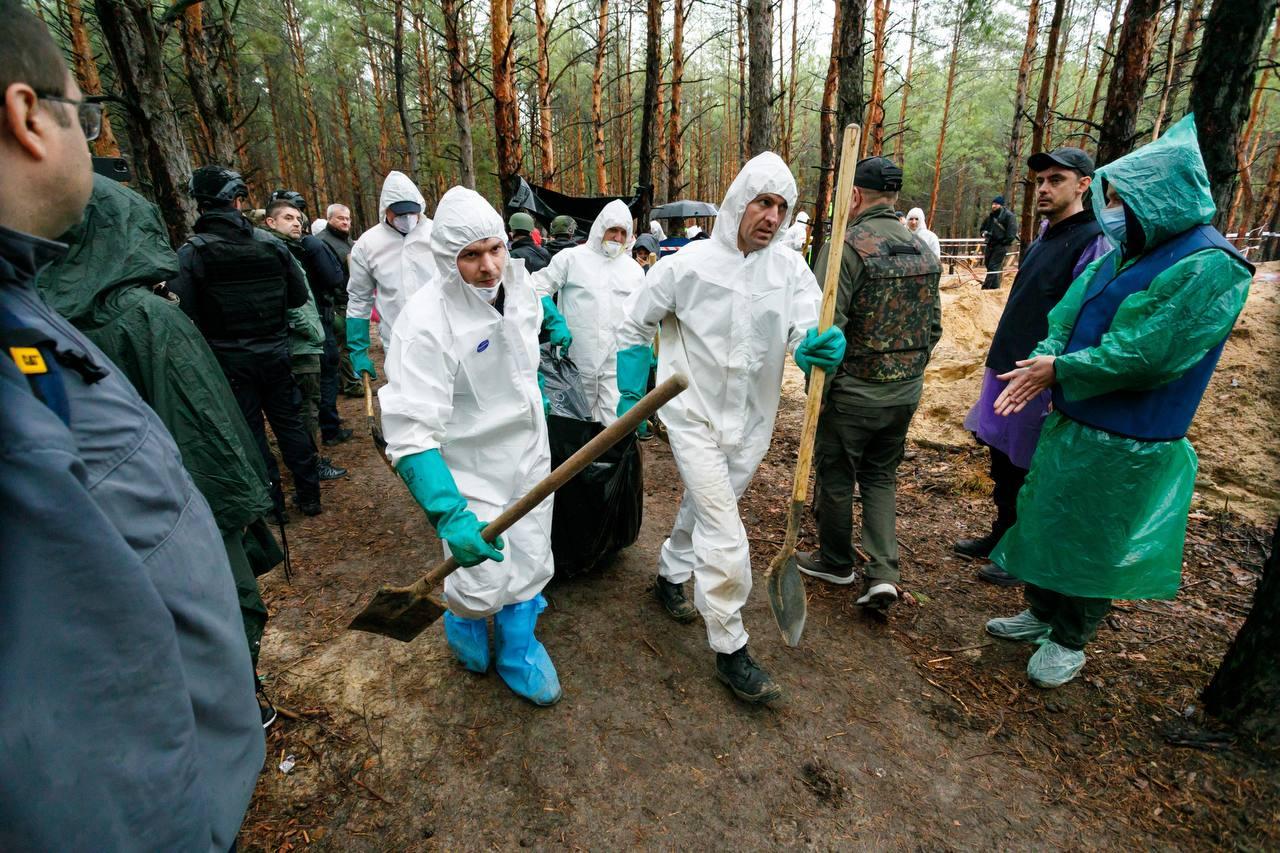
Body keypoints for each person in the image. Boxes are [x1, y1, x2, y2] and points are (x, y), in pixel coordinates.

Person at [0, 4, 263, 846]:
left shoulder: (30, 316)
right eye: (85, 108)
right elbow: (69, 692)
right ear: (27, 117)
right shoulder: (119, 326)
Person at [983, 115, 1253, 689]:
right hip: (1076, 417)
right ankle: (1040, 610)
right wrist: (1048, 356)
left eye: (1125, 200)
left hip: (1133, 436)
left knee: (1095, 536)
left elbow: (1150, 354)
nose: (1117, 211)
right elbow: (1069, 312)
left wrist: (1063, 368)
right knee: (1048, 515)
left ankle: (1071, 636)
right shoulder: (1126, 249)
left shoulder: (1210, 265)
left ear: (1164, 199)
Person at [38, 174, 285, 727]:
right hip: (174, 506)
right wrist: (241, 504)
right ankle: (234, 707)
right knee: (214, 602)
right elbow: (203, 422)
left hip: (90, 521)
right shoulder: (144, 318)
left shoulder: (38, 318)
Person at [615, 152, 846, 704]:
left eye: (782, 207)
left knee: (706, 504)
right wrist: (629, 392)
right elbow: (635, 322)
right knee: (725, 529)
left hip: (752, 420)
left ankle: (670, 574)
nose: (771, 216)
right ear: (739, 202)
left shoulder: (788, 269)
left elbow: (803, 327)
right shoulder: (687, 264)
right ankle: (730, 646)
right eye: (763, 202)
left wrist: (815, 345)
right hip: (690, 411)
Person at [379, 186, 573, 706]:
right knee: (479, 576)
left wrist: (536, 394)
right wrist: (448, 512)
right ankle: (464, 626)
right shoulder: (425, 324)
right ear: (447, 260)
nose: (488, 267)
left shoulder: (520, 282)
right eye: (470, 256)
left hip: (529, 451)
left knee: (532, 554)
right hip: (469, 465)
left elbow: (522, 347)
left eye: (495, 249)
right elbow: (410, 429)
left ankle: (519, 647)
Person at [794, 157, 942, 612]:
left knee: (837, 476)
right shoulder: (923, 250)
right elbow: (933, 329)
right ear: (893, 198)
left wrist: (817, 391)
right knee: (881, 477)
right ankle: (883, 572)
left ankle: (836, 560)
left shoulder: (847, 248)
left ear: (854, 196)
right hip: (905, 392)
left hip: (854, 392)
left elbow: (825, 331)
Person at [956, 147, 1109, 586]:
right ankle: (1002, 534)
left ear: (1083, 184)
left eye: (1056, 179)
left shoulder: (1092, 239)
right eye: (1040, 181)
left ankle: (1023, 552)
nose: (1043, 188)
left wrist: (1058, 372)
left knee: (1030, 465)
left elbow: (1085, 317)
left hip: (1040, 374)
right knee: (1001, 457)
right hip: (1007, 363)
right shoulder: (1044, 234)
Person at [172, 166, 324, 518]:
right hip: (275, 353)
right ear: (237, 202)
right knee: (290, 424)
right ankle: (309, 495)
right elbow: (298, 296)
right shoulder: (269, 245)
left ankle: (275, 505)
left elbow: (183, 309)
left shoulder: (193, 252)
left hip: (231, 360)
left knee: (251, 431)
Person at [534, 200, 645, 425]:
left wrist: (644, 355)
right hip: (576, 358)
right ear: (600, 229)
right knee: (577, 424)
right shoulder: (571, 258)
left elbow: (641, 315)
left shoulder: (633, 270)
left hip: (615, 360)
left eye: (623, 232)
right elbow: (537, 287)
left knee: (613, 426)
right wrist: (554, 321)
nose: (617, 237)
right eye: (612, 230)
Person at [263, 198, 347, 481]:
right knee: (305, 407)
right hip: (298, 344)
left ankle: (306, 463)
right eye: (288, 218)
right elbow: (292, 305)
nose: (296, 223)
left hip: (291, 344)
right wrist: (315, 333)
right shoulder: (276, 253)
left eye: (298, 218)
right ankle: (310, 465)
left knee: (302, 405)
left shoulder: (290, 250)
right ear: (270, 222)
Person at [346, 170, 432, 381]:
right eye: (400, 214)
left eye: (412, 212)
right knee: (407, 402)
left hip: (440, 336)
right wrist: (358, 349)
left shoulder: (437, 234)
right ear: (386, 211)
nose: (407, 218)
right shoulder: (368, 244)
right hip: (396, 340)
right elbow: (359, 297)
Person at [316, 202, 363, 398]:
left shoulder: (347, 241)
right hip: (336, 303)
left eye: (347, 218)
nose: (345, 222)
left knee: (347, 343)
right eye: (340, 218)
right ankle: (352, 384)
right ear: (329, 219)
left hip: (350, 298)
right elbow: (325, 277)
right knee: (346, 345)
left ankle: (346, 382)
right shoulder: (322, 242)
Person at [980, 195, 1017, 289]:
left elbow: (1011, 233)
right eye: (993, 204)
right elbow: (982, 228)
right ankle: (995, 287)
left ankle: (985, 288)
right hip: (990, 244)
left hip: (1001, 245)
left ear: (1001, 205)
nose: (993, 206)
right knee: (988, 265)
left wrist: (1003, 242)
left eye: (996, 204)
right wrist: (984, 233)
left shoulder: (1009, 216)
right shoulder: (990, 216)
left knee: (993, 266)